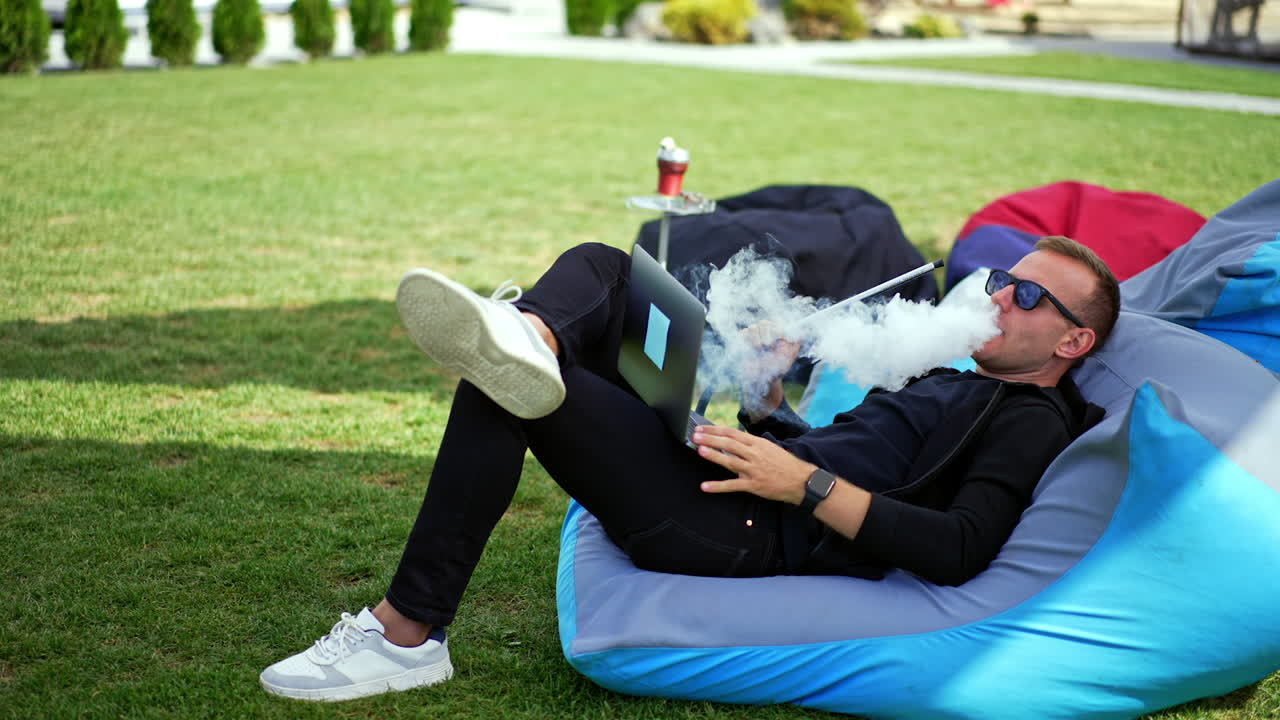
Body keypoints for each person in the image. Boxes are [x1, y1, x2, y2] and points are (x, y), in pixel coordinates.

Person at [259, 235, 1118, 702]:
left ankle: (407, 634)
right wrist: (767, 401)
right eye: (1003, 279)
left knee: (502, 385)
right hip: (732, 474)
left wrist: (802, 485)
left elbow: (960, 547)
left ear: (1074, 341)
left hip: (743, 527)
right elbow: (840, 450)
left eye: (1027, 297)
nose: (997, 297)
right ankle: (535, 330)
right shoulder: (958, 377)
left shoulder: (1032, 419)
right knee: (605, 270)